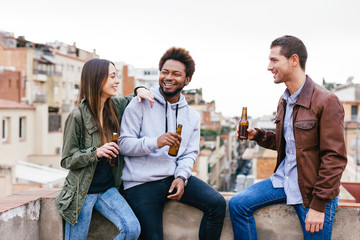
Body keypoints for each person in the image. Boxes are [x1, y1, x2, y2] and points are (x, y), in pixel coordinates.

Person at [229, 35, 347, 240]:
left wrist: (319, 206)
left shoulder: (326, 100)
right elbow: (290, 142)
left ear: (294, 60)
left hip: (311, 193)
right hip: (284, 181)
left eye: (274, 60)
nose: (268, 66)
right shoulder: (284, 100)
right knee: (237, 204)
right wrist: (258, 135)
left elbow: (334, 158)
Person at [118, 47, 226, 240]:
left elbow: (189, 153)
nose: (168, 77)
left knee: (217, 204)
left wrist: (182, 177)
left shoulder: (191, 115)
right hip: (140, 183)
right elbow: (124, 145)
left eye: (176, 74)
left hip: (172, 178)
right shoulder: (139, 103)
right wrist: (155, 142)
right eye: (164, 72)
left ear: (187, 79)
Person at [55, 58, 154, 240]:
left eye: (117, 76)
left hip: (108, 189)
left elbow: (133, 96)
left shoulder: (115, 107)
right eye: (112, 77)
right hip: (81, 193)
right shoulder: (77, 116)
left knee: (132, 229)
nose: (117, 81)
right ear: (97, 79)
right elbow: (67, 159)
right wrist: (96, 152)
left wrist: (140, 89)